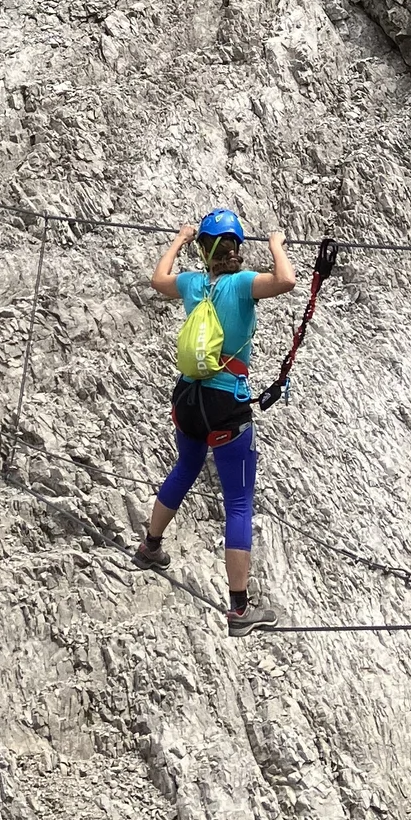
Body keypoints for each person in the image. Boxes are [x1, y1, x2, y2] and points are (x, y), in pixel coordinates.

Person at [136, 209, 296, 633]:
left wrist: (178, 238)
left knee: (185, 467)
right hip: (227, 402)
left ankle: (150, 545)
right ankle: (240, 610)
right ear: (237, 249)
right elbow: (287, 281)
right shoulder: (243, 284)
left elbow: (157, 280)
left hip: (188, 398)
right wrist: (276, 245)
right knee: (239, 503)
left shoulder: (192, 283)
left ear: (203, 249)